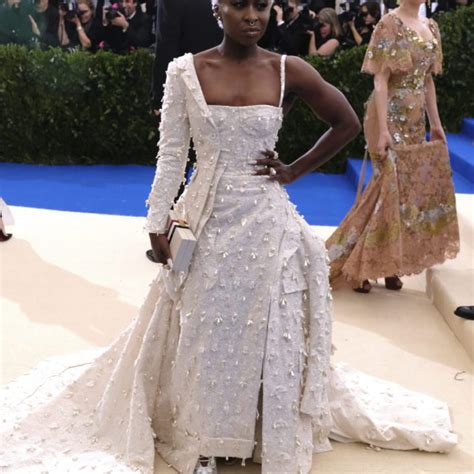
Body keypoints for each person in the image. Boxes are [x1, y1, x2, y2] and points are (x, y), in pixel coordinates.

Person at [0, 1, 458, 473]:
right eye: (240, 5)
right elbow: (173, 152)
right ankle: (203, 436)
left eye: (261, 5)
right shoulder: (186, 71)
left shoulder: (288, 68)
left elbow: (345, 122)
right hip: (205, 219)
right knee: (205, 327)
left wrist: (294, 170)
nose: (252, 16)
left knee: (267, 326)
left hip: (268, 223)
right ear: (219, 10)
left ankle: (261, 427)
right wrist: (158, 220)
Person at [326, 0, 460, 293]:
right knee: (385, 186)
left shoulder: (431, 27)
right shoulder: (389, 23)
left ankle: (388, 265)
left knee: (402, 193)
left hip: (415, 120)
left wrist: (435, 124)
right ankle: (359, 266)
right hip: (386, 116)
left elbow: (427, 83)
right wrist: (384, 130)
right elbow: (380, 81)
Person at [146, 0, 223, 263]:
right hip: (227, 84)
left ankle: (171, 237)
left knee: (175, 161)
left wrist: (159, 98)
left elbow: (166, 45)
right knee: (215, 160)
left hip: (187, 84)